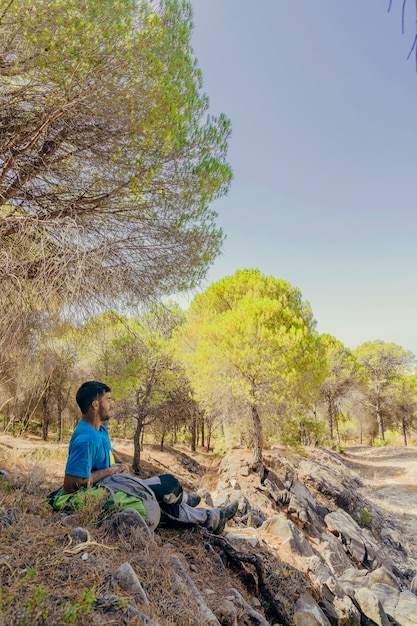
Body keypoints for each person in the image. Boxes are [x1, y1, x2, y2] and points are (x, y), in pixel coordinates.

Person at [48, 381, 238, 534]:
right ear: (95, 405)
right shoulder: (85, 439)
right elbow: (70, 485)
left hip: (115, 482)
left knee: (162, 491)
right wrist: (108, 471)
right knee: (167, 486)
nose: (111, 405)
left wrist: (120, 464)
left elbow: (107, 453)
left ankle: (210, 516)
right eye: (108, 400)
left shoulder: (100, 430)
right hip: (103, 489)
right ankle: (194, 506)